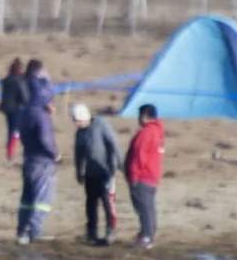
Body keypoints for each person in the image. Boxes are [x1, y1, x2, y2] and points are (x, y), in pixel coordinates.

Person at [71, 103, 121, 245]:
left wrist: (119, 165)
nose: (76, 124)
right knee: (90, 203)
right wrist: (79, 171)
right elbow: (78, 153)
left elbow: (113, 144)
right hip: (90, 173)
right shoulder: (80, 133)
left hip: (105, 171)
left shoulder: (101, 125)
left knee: (107, 202)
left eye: (78, 121)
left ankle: (111, 230)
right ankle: (91, 232)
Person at [16, 81, 59, 245]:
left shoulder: (25, 112)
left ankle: (22, 230)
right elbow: (45, 138)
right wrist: (55, 154)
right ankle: (35, 231)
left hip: (28, 160)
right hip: (43, 163)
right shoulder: (41, 116)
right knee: (42, 199)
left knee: (27, 199)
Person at [124, 104, 165, 249]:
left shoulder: (146, 133)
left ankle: (146, 237)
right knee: (148, 207)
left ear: (144, 116)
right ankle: (147, 234)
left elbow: (138, 155)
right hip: (152, 176)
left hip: (143, 176)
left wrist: (134, 175)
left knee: (144, 207)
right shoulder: (157, 131)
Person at [0, 59, 30, 164]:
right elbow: (25, 97)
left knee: (10, 130)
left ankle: (10, 153)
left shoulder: (6, 80)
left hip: (7, 109)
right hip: (18, 109)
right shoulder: (20, 81)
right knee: (16, 131)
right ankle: (12, 153)